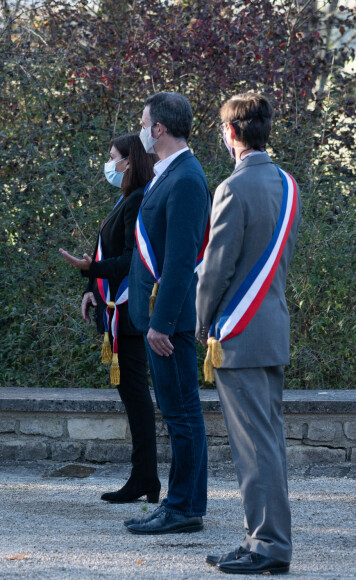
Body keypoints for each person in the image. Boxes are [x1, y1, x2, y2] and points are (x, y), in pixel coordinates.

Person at [196, 93, 301, 575]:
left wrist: (201, 322)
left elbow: (216, 270)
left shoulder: (233, 188)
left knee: (255, 449)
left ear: (232, 133)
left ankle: (269, 546)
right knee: (267, 443)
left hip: (239, 332)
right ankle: (260, 537)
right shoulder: (288, 184)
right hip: (270, 326)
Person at [123, 92, 210, 535]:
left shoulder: (187, 178)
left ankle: (183, 509)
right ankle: (181, 504)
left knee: (182, 415)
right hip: (160, 319)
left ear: (157, 129)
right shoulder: (167, 174)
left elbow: (181, 261)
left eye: (143, 122)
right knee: (178, 414)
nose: (140, 129)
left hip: (169, 324)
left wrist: (162, 322)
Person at [60, 134, 160, 503]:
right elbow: (110, 250)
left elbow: (135, 260)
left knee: (136, 398)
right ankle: (144, 477)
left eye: (113, 157)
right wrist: (91, 283)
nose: (109, 165)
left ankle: (145, 478)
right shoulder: (126, 199)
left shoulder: (138, 200)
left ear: (129, 161)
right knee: (132, 396)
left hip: (130, 316)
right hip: (115, 310)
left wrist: (93, 267)